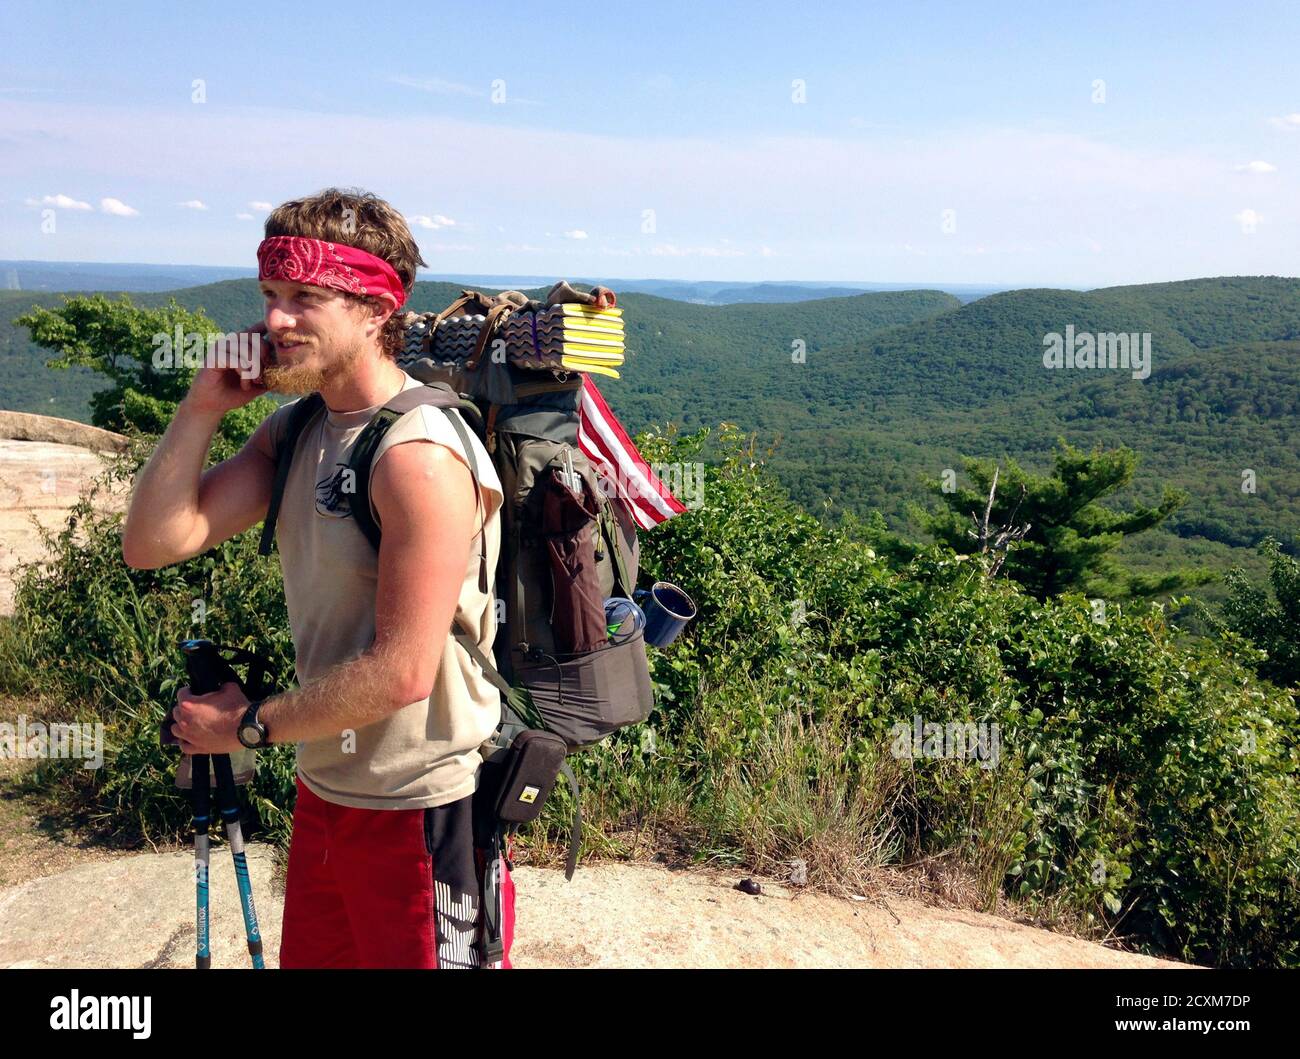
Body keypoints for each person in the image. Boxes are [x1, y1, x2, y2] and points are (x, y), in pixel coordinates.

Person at [121, 187, 513, 969]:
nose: (274, 321)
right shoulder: (298, 427)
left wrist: (243, 726)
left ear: (375, 309)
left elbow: (401, 673)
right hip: (327, 793)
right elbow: (155, 541)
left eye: (304, 297)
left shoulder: (417, 456)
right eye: (269, 295)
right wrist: (200, 409)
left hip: (421, 810)